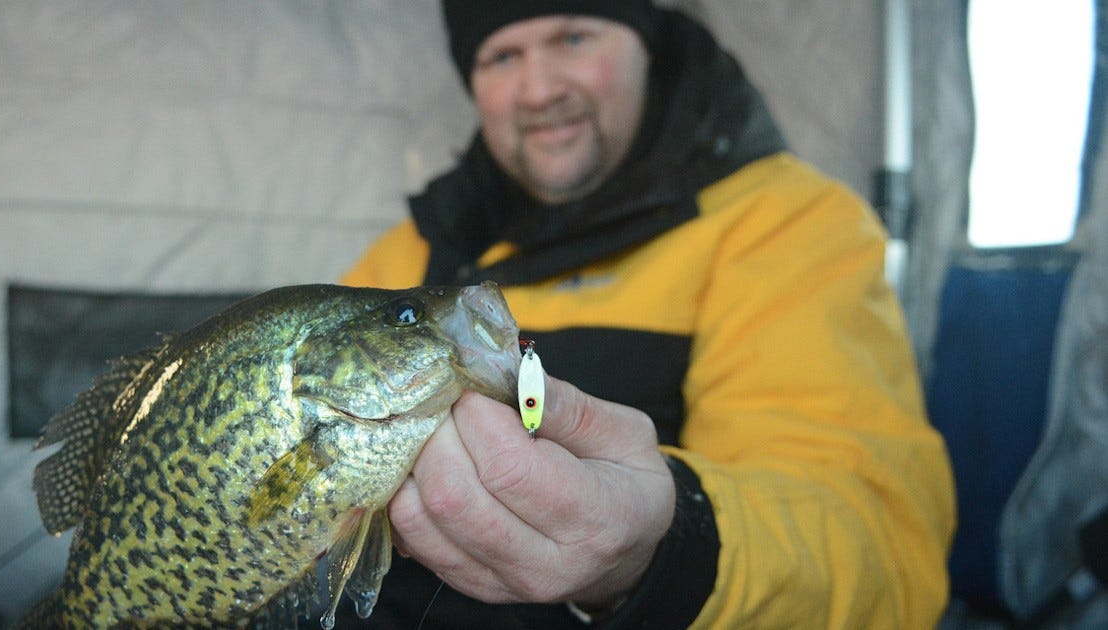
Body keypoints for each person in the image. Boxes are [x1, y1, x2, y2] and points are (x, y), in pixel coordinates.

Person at [340, 1, 956, 627]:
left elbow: (879, 543)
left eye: (573, 37)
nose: (539, 89)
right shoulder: (411, 257)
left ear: (647, 46)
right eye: (502, 56)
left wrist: (669, 548)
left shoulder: (789, 224)